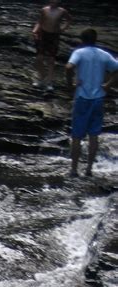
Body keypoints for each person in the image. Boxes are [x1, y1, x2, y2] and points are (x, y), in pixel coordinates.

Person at [66, 28, 118, 177]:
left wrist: (70, 84)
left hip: (82, 97)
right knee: (93, 135)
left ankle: (74, 169)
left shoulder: (79, 53)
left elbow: (69, 67)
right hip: (98, 98)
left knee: (76, 135)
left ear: (82, 40)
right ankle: (89, 169)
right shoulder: (104, 54)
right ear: (95, 39)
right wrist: (108, 85)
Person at [32, 1, 71, 91]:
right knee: (39, 58)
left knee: (51, 59)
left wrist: (63, 28)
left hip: (54, 36)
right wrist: (35, 30)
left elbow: (69, 19)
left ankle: (49, 82)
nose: (53, 2)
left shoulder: (62, 11)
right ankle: (41, 77)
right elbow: (40, 22)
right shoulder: (44, 10)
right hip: (43, 34)